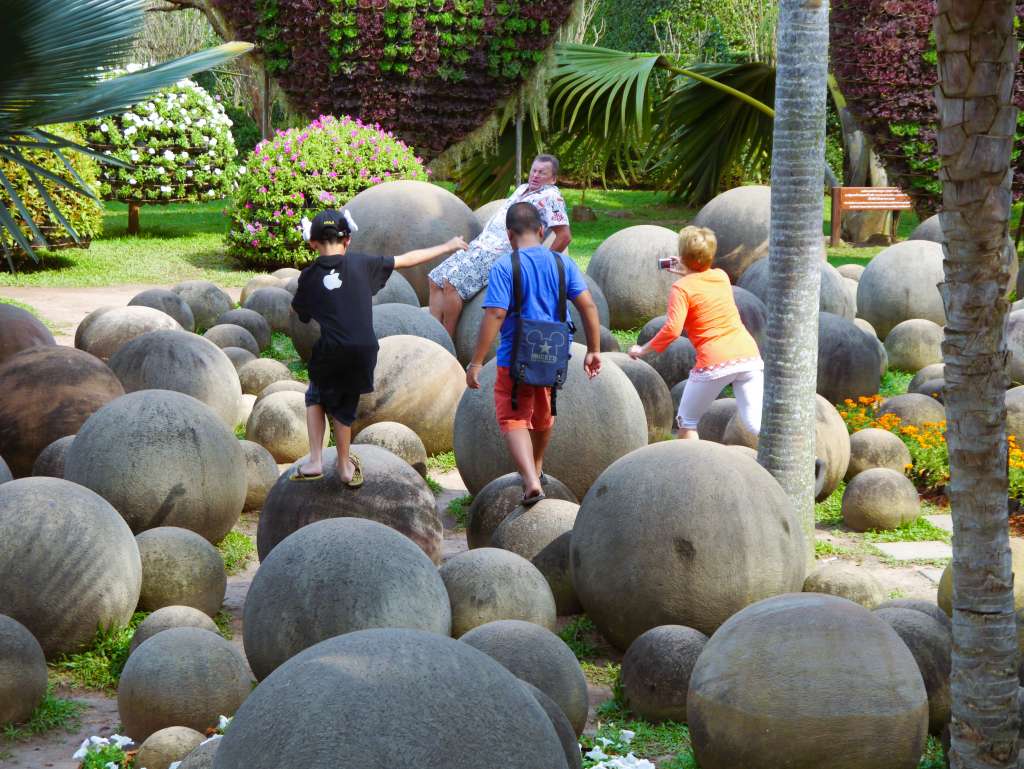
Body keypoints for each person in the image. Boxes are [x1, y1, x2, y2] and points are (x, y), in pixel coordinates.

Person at [291, 209, 468, 485]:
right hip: (364, 350)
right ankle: (344, 466)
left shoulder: (309, 276)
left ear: (312, 243)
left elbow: (302, 313)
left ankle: (315, 461)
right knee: (344, 407)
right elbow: (407, 259)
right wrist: (448, 246)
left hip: (331, 349)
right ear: (348, 240)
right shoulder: (363, 264)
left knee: (315, 396)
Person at [466, 202, 602, 504]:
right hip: (553, 355)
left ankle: (530, 481)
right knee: (544, 411)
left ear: (509, 234)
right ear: (542, 230)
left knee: (513, 416)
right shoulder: (562, 263)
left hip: (515, 357)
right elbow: (588, 305)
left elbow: (496, 314)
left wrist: (476, 362)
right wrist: (594, 350)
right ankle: (537, 466)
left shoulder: (505, 266)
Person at [629, 226, 763, 440]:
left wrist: (642, 349)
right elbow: (703, 283)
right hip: (748, 357)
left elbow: (672, 330)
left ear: (682, 255)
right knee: (755, 423)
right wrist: (689, 270)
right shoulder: (721, 276)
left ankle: (690, 462)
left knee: (687, 422)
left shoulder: (681, 288)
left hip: (715, 362)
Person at [428, 155, 571, 337]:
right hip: (480, 245)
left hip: (500, 253)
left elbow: (565, 235)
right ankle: (434, 333)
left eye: (542, 173)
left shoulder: (552, 197)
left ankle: (447, 339)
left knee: (452, 284)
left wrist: (541, 262)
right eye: (534, 171)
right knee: (435, 278)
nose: (535, 175)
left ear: (553, 178)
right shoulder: (523, 188)